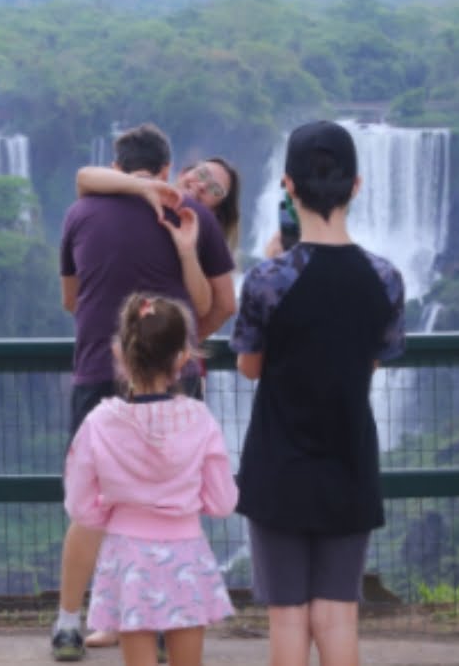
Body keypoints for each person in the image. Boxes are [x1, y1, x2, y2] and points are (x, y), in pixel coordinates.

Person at [53, 122, 235, 661]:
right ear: (166, 169)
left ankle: (70, 620)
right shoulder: (193, 215)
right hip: (176, 380)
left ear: (118, 163)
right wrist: (177, 348)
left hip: (95, 369)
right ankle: (162, 613)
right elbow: (223, 302)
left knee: (92, 508)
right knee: (169, 498)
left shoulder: (79, 213)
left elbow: (71, 299)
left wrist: (131, 344)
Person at [229, 120, 406, 666]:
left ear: (288, 186)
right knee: (337, 615)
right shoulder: (386, 278)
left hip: (278, 465)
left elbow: (250, 368)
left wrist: (274, 259)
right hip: (349, 462)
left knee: (288, 616)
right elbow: (373, 358)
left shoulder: (267, 279)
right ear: (355, 186)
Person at [63, 292, 238, 666]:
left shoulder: (100, 423)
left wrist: (114, 511)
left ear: (120, 355)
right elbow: (223, 502)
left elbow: (81, 506)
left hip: (127, 558)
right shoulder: (199, 419)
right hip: (187, 554)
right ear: (183, 358)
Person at [76, 155, 240, 343]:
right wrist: (145, 187)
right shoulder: (142, 201)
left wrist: (183, 341)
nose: (202, 185)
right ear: (183, 173)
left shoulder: (203, 235)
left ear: (215, 211)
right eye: (202, 173)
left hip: (161, 356)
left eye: (215, 189)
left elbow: (223, 305)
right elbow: (84, 176)